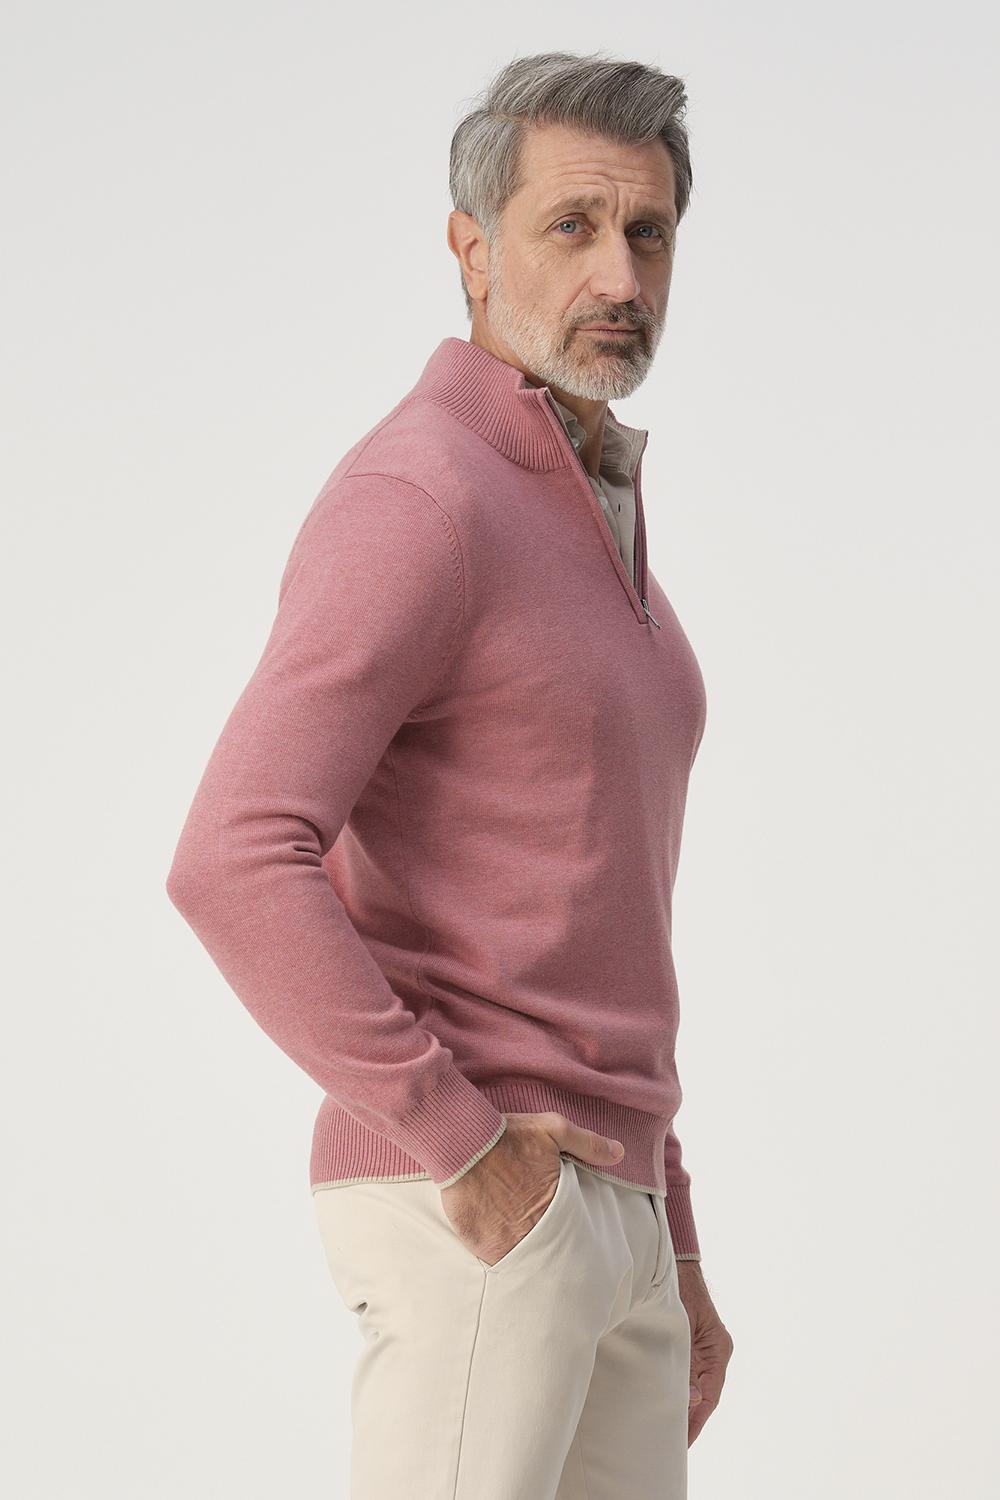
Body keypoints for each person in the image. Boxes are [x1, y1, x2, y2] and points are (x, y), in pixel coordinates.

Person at [166, 48, 733, 1500]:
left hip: (610, 1207)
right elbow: (234, 853)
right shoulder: (424, 496)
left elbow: (601, 918)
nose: (620, 273)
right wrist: (459, 1143)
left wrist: (669, 1233)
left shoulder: (598, 516)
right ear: (472, 251)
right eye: (571, 226)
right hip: (484, 1200)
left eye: (649, 231)